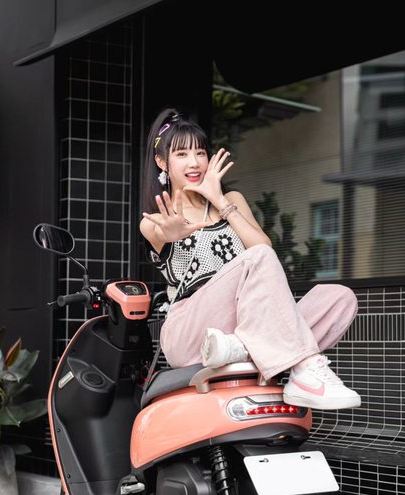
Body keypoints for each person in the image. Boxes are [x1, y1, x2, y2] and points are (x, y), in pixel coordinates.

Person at [139, 107, 361, 410]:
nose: (194, 162)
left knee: (340, 298)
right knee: (255, 259)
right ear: (162, 162)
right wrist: (172, 232)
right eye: (181, 154)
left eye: (200, 152)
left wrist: (218, 200)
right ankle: (305, 369)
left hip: (237, 325)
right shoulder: (154, 220)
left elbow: (263, 247)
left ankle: (236, 348)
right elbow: (161, 234)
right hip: (189, 331)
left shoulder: (232, 201)